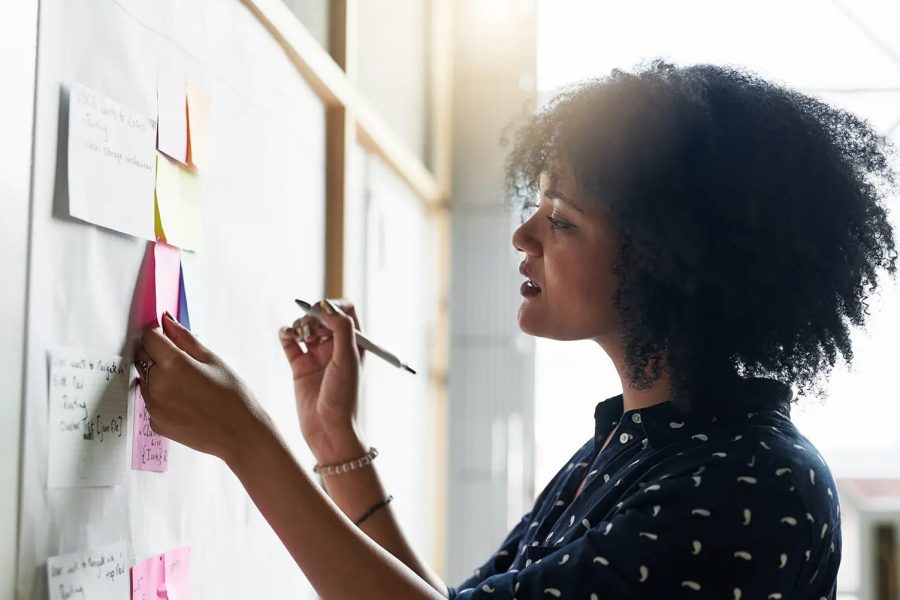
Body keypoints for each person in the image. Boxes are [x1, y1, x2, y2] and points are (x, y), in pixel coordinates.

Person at [134, 59, 897, 599]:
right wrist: (336, 445)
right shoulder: (637, 443)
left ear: (672, 260)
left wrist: (247, 440)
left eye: (561, 218)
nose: (522, 235)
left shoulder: (753, 487)